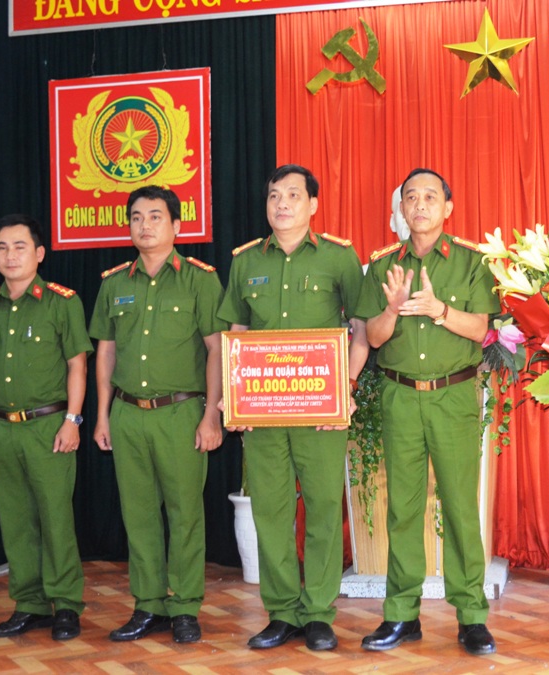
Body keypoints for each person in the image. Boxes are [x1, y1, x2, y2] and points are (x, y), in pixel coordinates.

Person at [218, 164, 368, 652]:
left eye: (293, 195)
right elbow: (235, 334)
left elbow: (361, 330)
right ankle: (282, 612)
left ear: (313, 205)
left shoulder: (339, 257)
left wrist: (345, 385)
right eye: (274, 195)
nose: (282, 204)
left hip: (320, 409)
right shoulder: (244, 261)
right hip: (262, 411)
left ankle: (319, 612)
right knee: (272, 511)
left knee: (324, 508)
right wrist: (230, 392)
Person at [356, 168, 500, 656]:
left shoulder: (470, 263)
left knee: (461, 507)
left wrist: (439, 309)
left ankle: (471, 615)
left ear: (448, 207)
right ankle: (401, 613)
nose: (419, 205)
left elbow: (481, 329)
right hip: (399, 396)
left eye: (430, 197)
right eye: (410, 198)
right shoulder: (382, 266)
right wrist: (394, 309)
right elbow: (372, 339)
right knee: (403, 508)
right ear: (401, 209)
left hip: (453, 397)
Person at [89, 186, 225, 644]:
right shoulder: (114, 283)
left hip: (180, 413)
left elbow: (216, 351)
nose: (144, 226)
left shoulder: (200, 280)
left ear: (176, 226)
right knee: (138, 513)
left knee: (185, 512)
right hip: (128, 415)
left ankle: (184, 606)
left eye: (155, 217)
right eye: (136, 218)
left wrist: (210, 417)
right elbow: (104, 354)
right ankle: (148, 605)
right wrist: (103, 416)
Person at [0, 215, 91, 641]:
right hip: (1, 430)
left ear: (38, 253)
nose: (10, 255)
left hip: (47, 425)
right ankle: (30, 603)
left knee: (55, 518)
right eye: (2, 247)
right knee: (15, 521)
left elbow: (77, 364)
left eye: (19, 246)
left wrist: (72, 420)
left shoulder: (61, 302)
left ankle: (67, 604)